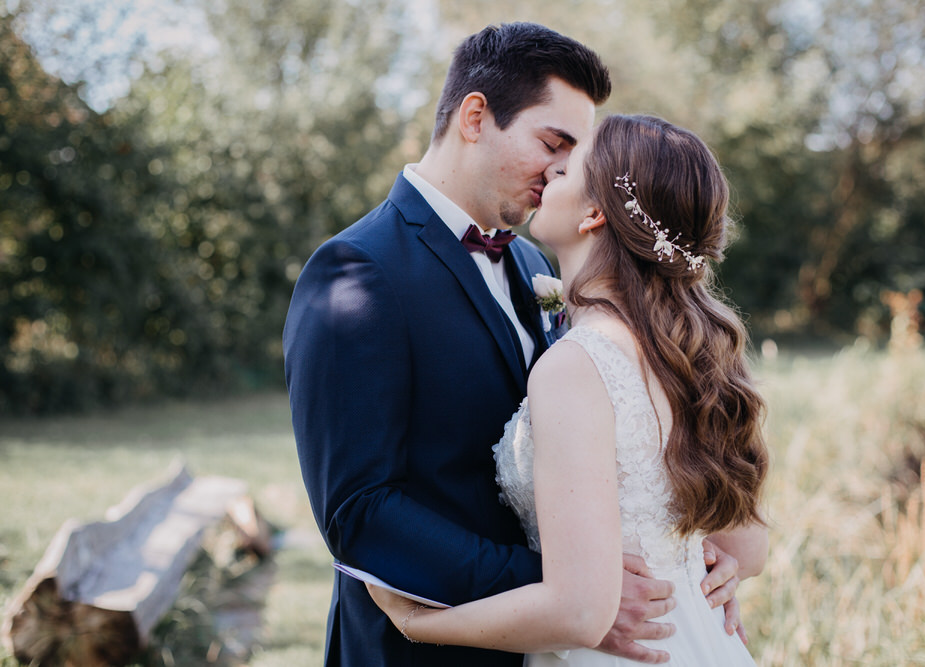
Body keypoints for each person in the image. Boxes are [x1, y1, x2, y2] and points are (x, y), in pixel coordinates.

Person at [284, 22, 743, 666]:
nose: (562, 170)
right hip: (418, 648)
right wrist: (572, 595)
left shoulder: (537, 266)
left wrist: (696, 560)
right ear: (475, 117)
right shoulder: (358, 273)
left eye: (574, 158)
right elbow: (360, 511)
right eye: (553, 144)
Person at [365, 113, 770, 666]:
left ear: (594, 213)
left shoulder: (580, 365)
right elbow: (748, 549)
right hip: (700, 641)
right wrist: (701, 569)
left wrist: (418, 621)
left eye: (565, 169)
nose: (548, 170)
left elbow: (579, 615)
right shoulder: (694, 354)